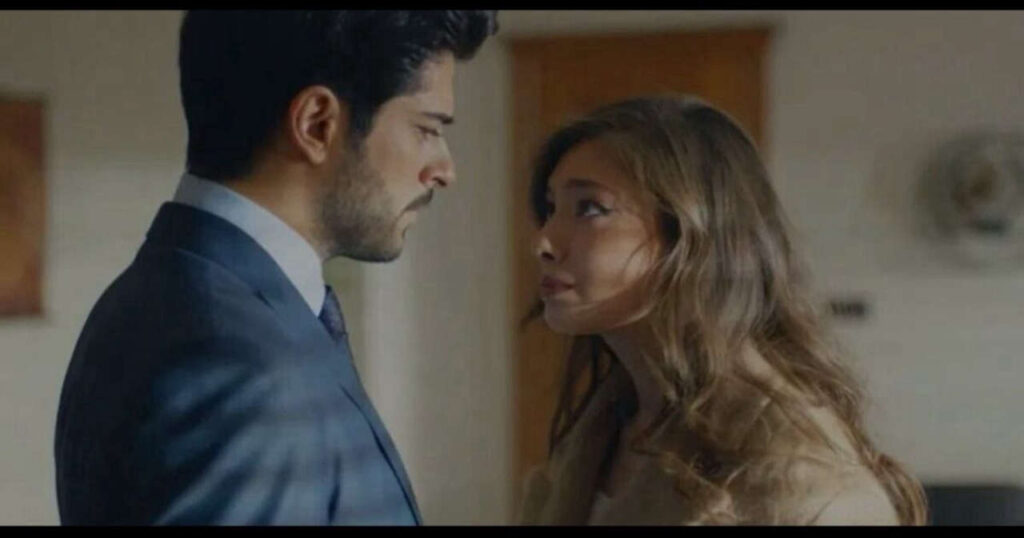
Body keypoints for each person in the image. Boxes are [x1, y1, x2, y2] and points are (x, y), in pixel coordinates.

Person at [54, 10, 498, 525]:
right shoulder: (241, 369)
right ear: (316, 124)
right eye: (426, 129)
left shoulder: (160, 294)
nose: (444, 170)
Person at [517, 96, 927, 525]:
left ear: (692, 232)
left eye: (590, 208)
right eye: (551, 208)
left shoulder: (804, 483)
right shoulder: (599, 438)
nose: (543, 242)